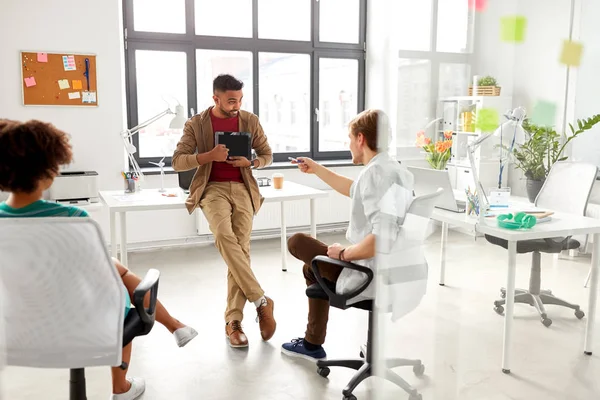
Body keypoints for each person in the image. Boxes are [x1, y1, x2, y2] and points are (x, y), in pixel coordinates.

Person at [0, 119, 198, 400]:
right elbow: (99, 275)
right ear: (50, 170)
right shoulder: (71, 220)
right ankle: (122, 387)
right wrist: (115, 266)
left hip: (15, 326)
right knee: (122, 287)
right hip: (80, 324)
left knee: (115, 272)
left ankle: (176, 327)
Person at [281, 109, 414, 361]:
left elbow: (382, 236)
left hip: (370, 271)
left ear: (361, 139)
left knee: (298, 243)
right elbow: (354, 190)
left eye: (350, 138)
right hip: (397, 268)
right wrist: (316, 168)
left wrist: (343, 252)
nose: (348, 144)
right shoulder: (394, 170)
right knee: (314, 267)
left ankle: (312, 345)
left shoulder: (375, 174)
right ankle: (312, 343)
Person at [172, 74, 276, 348]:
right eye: (231, 100)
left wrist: (251, 162)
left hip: (242, 186)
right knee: (223, 235)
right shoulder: (196, 124)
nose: (237, 105)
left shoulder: (250, 120)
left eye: (240, 99)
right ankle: (261, 300)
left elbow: (267, 155)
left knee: (240, 251)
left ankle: (233, 322)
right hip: (212, 188)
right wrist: (208, 156)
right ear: (215, 98)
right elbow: (178, 162)